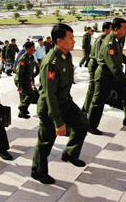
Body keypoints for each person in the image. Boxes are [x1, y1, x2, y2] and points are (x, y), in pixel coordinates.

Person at [32, 23, 88, 185]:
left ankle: (70, 154)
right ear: (59, 41)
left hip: (65, 102)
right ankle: (38, 171)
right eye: (70, 39)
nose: (74, 42)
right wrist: (58, 122)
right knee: (46, 141)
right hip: (50, 107)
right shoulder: (52, 62)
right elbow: (49, 95)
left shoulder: (66, 55)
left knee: (82, 124)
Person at [88, 18, 126, 135]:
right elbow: (114, 68)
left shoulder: (117, 39)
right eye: (125, 28)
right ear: (116, 29)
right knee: (98, 101)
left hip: (113, 75)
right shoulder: (110, 43)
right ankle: (91, 126)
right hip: (104, 76)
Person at [82, 22, 112, 113]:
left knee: (95, 87)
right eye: (111, 28)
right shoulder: (103, 38)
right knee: (92, 87)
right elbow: (100, 55)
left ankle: (87, 106)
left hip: (96, 63)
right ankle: (86, 108)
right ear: (106, 30)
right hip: (95, 63)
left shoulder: (104, 37)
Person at [15, 41, 37, 119]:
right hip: (22, 80)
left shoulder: (31, 57)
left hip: (27, 79)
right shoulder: (23, 58)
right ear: (27, 49)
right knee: (31, 94)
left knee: (24, 97)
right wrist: (19, 85)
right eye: (32, 48)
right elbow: (19, 73)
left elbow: (31, 70)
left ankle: (22, 112)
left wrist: (32, 79)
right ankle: (22, 107)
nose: (34, 50)